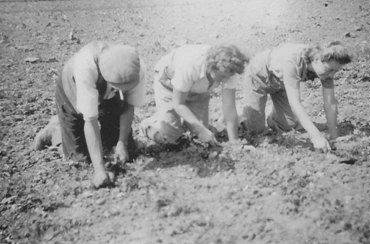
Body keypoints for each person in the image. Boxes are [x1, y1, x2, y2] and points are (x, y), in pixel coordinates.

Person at [34, 41, 146, 188]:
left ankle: (109, 136)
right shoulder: (86, 67)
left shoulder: (136, 68)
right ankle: (56, 130)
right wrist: (99, 170)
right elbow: (90, 120)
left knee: (125, 150)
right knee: (80, 159)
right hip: (73, 87)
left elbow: (129, 105)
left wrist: (122, 142)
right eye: (117, 87)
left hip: (108, 94)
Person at [241, 41, 351, 152]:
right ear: (317, 59)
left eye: (335, 71)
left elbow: (330, 103)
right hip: (258, 76)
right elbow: (295, 103)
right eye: (330, 70)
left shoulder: (326, 71)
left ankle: (272, 116)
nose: (332, 75)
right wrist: (316, 136)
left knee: (289, 125)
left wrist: (334, 136)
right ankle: (244, 113)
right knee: (255, 131)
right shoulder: (292, 60)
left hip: (282, 82)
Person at [141, 44, 249, 146]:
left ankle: (181, 119)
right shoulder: (191, 66)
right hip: (169, 85)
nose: (225, 79)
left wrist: (234, 141)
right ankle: (149, 125)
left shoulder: (229, 71)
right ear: (211, 67)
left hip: (197, 89)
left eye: (228, 76)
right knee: (169, 136)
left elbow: (229, 107)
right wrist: (201, 129)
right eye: (222, 76)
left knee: (200, 137)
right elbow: (178, 103)